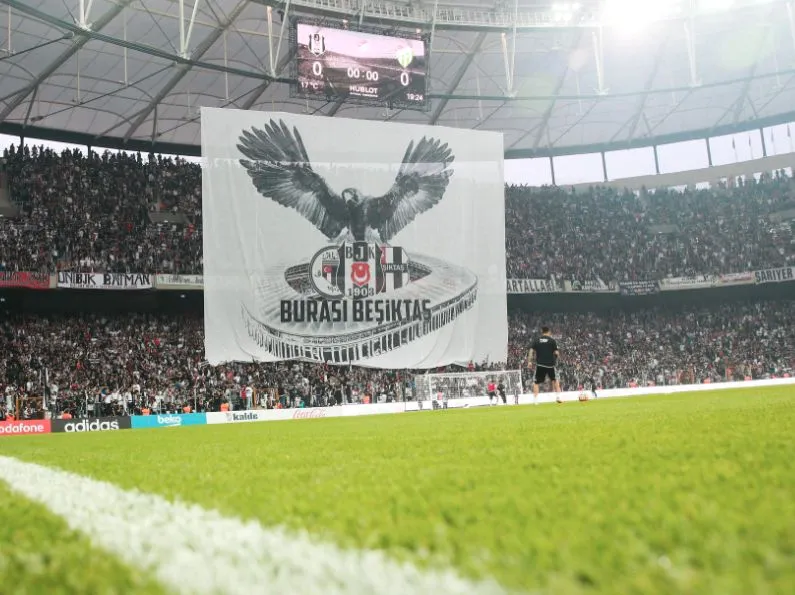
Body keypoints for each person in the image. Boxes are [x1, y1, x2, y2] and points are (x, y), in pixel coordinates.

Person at [528, 326, 562, 403]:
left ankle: (535, 400)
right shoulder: (552, 341)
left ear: (542, 332)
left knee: (536, 382)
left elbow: (531, 351)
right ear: (549, 332)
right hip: (550, 365)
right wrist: (555, 358)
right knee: (555, 380)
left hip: (540, 365)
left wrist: (529, 361)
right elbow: (557, 353)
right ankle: (558, 397)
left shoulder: (537, 340)